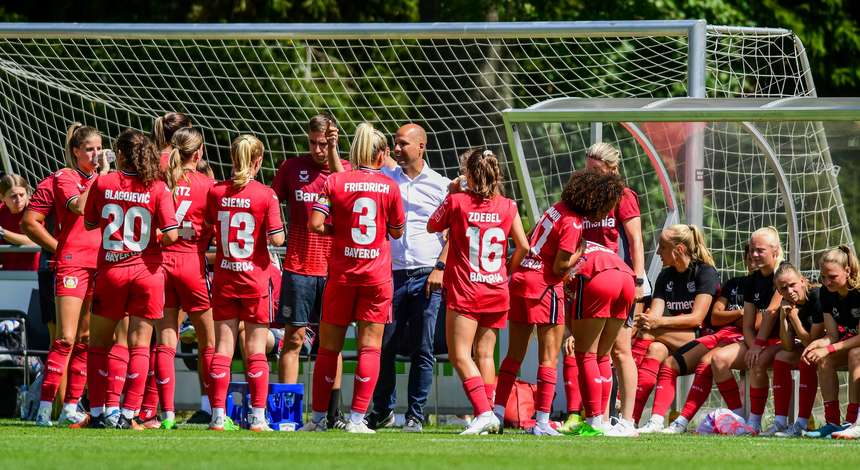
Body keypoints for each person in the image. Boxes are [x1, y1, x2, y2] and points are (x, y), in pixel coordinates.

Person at [493, 169, 623, 436]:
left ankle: (495, 414)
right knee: (548, 358)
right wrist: (579, 253)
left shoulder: (556, 208)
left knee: (513, 356)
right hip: (544, 287)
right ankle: (542, 422)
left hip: (521, 280)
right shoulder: (573, 223)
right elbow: (560, 265)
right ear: (595, 200)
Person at [302, 122, 404, 434]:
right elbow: (397, 231)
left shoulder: (335, 181)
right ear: (382, 154)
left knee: (328, 350)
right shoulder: (390, 186)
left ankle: (318, 419)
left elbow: (315, 224)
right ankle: (358, 420)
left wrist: (339, 230)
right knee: (370, 348)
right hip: (376, 278)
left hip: (342, 276)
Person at [427, 147, 529, 435]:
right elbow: (523, 246)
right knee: (485, 355)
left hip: (466, 289)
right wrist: (506, 269)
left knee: (460, 355)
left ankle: (484, 412)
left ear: (469, 175)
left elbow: (432, 224)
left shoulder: (458, 202)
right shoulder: (508, 205)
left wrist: (450, 191)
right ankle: (487, 414)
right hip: (496, 288)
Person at [82, 129, 179, 429]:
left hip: (111, 271)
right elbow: (173, 235)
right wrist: (151, 235)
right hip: (146, 273)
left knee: (98, 344)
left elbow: (89, 222)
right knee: (140, 346)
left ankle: (100, 412)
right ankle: (128, 415)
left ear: (120, 154)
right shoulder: (158, 188)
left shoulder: (103, 182)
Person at [365, 123, 449, 433]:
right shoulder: (386, 180)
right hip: (391, 274)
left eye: (403, 144)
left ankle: (416, 415)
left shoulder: (441, 185)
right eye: (395, 144)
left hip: (428, 274)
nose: (397, 149)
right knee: (383, 345)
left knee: (423, 348)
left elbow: (453, 232)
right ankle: (383, 409)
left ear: (421, 147)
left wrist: (440, 267)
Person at [560, 143, 648, 434]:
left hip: (617, 278)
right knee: (593, 351)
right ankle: (600, 418)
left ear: (612, 169)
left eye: (596, 169)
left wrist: (639, 279)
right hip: (587, 278)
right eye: (587, 168)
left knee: (621, 350)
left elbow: (634, 240)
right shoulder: (583, 196)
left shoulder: (624, 196)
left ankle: (628, 420)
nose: (590, 173)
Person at [270, 114, 349, 429]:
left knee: (331, 345)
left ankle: (333, 414)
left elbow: (346, 194)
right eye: (313, 143)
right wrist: (276, 233)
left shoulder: (345, 171)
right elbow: (271, 201)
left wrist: (334, 152)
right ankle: (286, 416)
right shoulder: (291, 168)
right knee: (293, 339)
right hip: (298, 267)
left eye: (324, 143)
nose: (318, 149)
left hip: (333, 270)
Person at [203, 134, 285, 432]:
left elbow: (211, 229)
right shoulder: (265, 194)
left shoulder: (216, 192)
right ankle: (258, 418)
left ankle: (216, 416)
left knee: (223, 349)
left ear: (232, 157)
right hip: (254, 281)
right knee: (255, 351)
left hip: (225, 277)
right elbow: (278, 238)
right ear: (258, 160)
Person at [35, 123, 109, 427]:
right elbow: (79, 206)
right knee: (64, 338)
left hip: (100, 263)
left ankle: (71, 406)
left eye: (98, 148)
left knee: (85, 339)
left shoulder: (105, 179)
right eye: (89, 149)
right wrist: (100, 179)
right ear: (76, 151)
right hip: (71, 262)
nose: (95, 154)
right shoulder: (65, 177)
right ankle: (43, 409)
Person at [152, 126, 216, 430]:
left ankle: (165, 414)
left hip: (161, 264)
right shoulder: (208, 185)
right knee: (209, 341)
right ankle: (213, 410)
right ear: (199, 152)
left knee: (165, 341)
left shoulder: (161, 181)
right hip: (191, 264)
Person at [634, 224, 718, 433]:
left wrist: (656, 323)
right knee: (654, 349)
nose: (658, 252)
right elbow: (654, 315)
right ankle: (652, 421)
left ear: (679, 249)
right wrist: (644, 320)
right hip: (675, 338)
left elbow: (697, 318)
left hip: (706, 338)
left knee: (650, 333)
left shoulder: (705, 272)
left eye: (662, 247)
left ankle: (625, 404)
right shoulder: (665, 276)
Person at [659, 245, 753, 433]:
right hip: (721, 334)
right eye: (750, 254)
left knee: (711, 360)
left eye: (759, 252)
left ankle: (740, 419)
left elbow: (756, 321)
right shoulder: (734, 283)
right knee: (669, 363)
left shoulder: (773, 285)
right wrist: (741, 312)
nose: (753, 258)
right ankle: (653, 420)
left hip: (748, 339)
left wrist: (743, 317)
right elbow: (716, 317)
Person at [803, 246, 860, 438]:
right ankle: (832, 422)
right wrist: (817, 344)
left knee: (855, 354)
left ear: (847, 271)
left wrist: (829, 348)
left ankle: (852, 421)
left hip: (857, 348)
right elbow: (833, 335)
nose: (827, 282)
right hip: (850, 343)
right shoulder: (826, 293)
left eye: (832, 277)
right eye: (823, 277)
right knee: (823, 359)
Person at [761, 263, 823, 437]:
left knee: (807, 358)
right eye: (783, 288)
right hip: (808, 347)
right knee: (781, 357)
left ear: (802, 281)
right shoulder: (787, 304)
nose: (789, 290)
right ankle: (780, 422)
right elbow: (788, 345)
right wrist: (783, 317)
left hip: (825, 346)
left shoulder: (817, 296)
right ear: (779, 292)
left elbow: (813, 341)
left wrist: (794, 318)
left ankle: (801, 424)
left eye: (792, 284)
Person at [0, 174, 39, 271]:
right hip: (7, 273)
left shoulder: (35, 210)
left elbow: (34, 241)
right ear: (2, 197)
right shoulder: (1, 211)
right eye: (13, 196)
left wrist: (2, 232)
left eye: (22, 195)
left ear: (27, 193)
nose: (18, 200)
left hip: (33, 274)